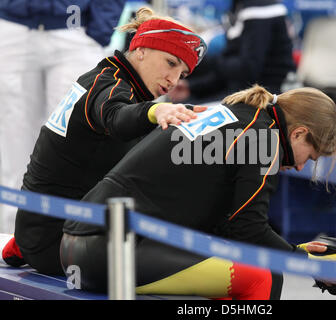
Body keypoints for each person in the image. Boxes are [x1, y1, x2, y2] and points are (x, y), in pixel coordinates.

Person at [60, 84, 336, 299]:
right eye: (309, 156)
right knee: (264, 276)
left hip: (79, 246)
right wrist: (302, 260)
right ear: (297, 133)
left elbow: (229, 226)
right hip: (108, 250)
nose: (299, 167)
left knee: (230, 269)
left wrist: (295, 252)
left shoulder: (237, 116)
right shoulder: (264, 138)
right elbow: (248, 228)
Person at [1, 7, 208, 276]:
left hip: (43, 228)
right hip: (59, 244)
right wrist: (155, 112)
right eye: (170, 63)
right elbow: (116, 117)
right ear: (142, 49)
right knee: (226, 270)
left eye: (182, 74)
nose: (173, 79)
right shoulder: (109, 86)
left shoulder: (110, 77)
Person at [0, 0, 127, 234]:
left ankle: (66, 236)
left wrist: (99, 31)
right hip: (11, 27)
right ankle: (11, 236)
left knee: (72, 133)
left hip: (75, 33)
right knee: (13, 138)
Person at [168, 0, 296, 104]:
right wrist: (192, 87)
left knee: (186, 113)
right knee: (180, 106)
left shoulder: (259, 8)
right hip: (243, 91)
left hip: (267, 97)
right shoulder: (238, 7)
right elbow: (228, 71)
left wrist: (207, 61)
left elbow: (248, 70)